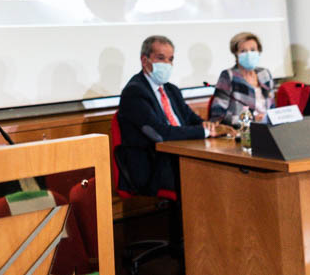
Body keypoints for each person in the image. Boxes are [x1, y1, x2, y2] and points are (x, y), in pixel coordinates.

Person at [116, 35, 234, 195]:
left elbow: (191, 119)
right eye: (161, 58)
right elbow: (159, 134)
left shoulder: (171, 89)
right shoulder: (134, 92)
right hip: (153, 165)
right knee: (207, 175)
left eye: (170, 59)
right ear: (144, 60)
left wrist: (211, 127)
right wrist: (205, 132)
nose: (167, 64)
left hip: (178, 156)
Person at [210, 31, 276, 126]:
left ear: (258, 51)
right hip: (243, 129)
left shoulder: (264, 73)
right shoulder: (229, 76)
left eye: (253, 50)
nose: (249, 54)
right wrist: (251, 119)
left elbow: (272, 108)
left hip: (268, 126)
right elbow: (218, 115)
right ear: (236, 54)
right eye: (243, 51)